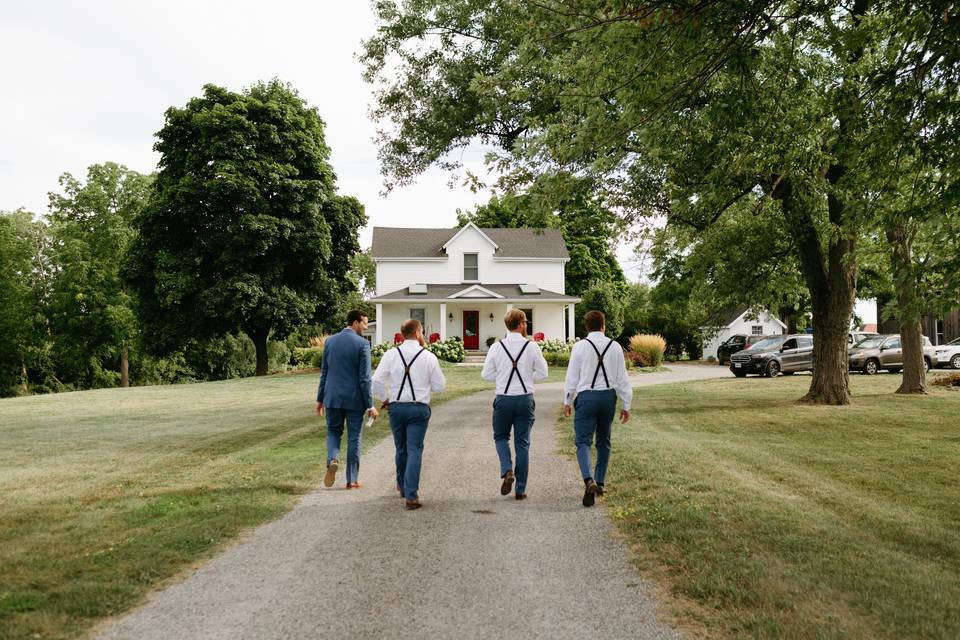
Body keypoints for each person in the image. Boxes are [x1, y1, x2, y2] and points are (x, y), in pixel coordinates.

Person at [372, 318, 446, 510]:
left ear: (403, 333)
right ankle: (411, 495)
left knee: (401, 448)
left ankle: (403, 486)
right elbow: (440, 386)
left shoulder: (390, 354)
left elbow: (376, 381)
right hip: (419, 408)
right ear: (418, 332)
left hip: (396, 407)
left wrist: (385, 398)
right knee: (414, 449)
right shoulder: (428, 357)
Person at [563, 310, 632, 507]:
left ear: (587, 327)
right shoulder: (615, 346)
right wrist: (626, 404)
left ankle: (588, 480)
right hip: (607, 398)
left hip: (586, 398)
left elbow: (572, 377)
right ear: (603, 325)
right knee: (604, 441)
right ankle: (600, 482)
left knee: (583, 442)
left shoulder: (579, 347)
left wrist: (568, 401)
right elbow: (622, 379)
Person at [481, 309, 548, 500]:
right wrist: (528, 378)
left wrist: (502, 378)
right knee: (522, 444)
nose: (526, 325)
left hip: (503, 398)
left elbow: (485, 374)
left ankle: (507, 469)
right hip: (525, 399)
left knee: (501, 437)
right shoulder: (532, 347)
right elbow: (543, 373)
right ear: (520, 324)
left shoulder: (496, 347)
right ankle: (520, 489)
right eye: (525, 322)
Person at [316, 309, 378, 489]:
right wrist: (370, 405)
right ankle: (352, 480)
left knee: (333, 432)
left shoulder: (330, 341)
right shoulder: (362, 344)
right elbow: (365, 378)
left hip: (332, 397)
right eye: (365, 324)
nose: (366, 328)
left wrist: (320, 399)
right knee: (354, 437)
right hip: (354, 400)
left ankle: (333, 458)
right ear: (355, 322)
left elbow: (324, 373)